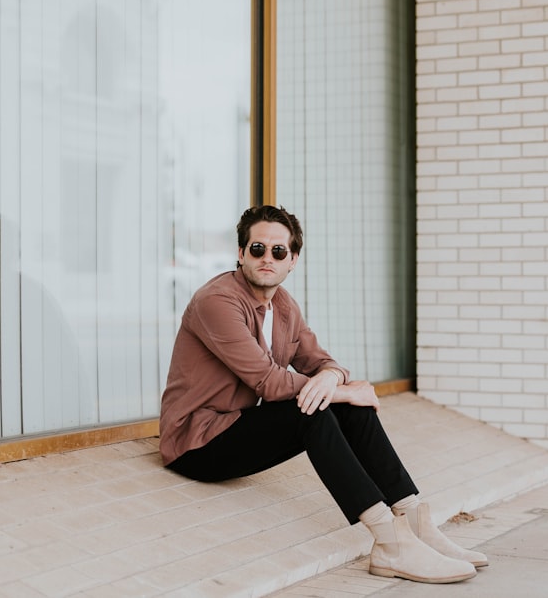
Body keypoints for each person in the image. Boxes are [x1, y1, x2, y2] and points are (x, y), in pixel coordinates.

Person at [159, 205, 487, 584]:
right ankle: (390, 542)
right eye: (257, 249)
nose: (268, 258)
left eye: (278, 252)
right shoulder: (216, 302)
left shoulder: (283, 306)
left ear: (293, 259)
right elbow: (268, 382)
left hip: (237, 426)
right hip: (196, 442)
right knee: (314, 411)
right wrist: (346, 392)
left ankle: (414, 522)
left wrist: (334, 379)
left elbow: (320, 361)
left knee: (349, 408)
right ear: (240, 254)